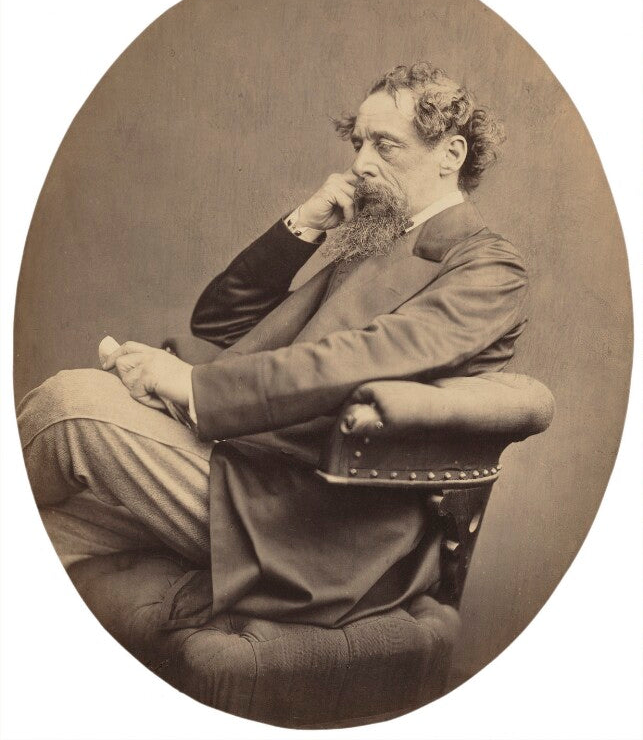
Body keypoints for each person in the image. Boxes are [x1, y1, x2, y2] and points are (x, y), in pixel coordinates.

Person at [18, 62, 528, 629]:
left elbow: (361, 361)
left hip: (321, 522)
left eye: (385, 145)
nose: (361, 164)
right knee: (45, 534)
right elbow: (221, 321)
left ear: (451, 154)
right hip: (253, 470)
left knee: (70, 407)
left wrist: (187, 384)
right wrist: (305, 223)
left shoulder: (486, 265)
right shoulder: (377, 242)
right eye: (359, 143)